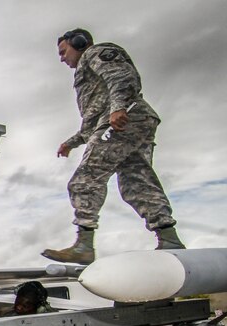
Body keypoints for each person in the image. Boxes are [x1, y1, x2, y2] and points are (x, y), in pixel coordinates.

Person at [42, 28, 184, 265]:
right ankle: (169, 238)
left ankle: (84, 246)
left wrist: (118, 108)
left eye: (63, 51)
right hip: (128, 120)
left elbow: (122, 77)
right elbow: (91, 123)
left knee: (85, 180)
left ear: (78, 43)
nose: (61, 58)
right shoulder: (87, 73)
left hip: (123, 119)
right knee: (136, 184)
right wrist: (71, 142)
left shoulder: (95, 54)